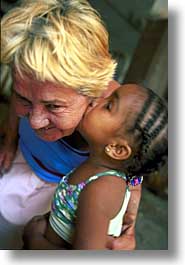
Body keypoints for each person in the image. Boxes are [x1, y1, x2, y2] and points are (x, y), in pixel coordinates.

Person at [0, 0, 140, 249]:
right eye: (24, 98)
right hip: (21, 160)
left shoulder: (115, 118)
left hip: (59, 191)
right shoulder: (30, 77)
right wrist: (10, 141)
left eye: (54, 106)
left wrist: (127, 215)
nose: (34, 121)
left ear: (93, 94)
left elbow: (135, 162)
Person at [23, 84, 168, 250]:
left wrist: (34, 240)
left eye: (108, 106)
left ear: (117, 149)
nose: (95, 100)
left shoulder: (100, 190)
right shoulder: (98, 167)